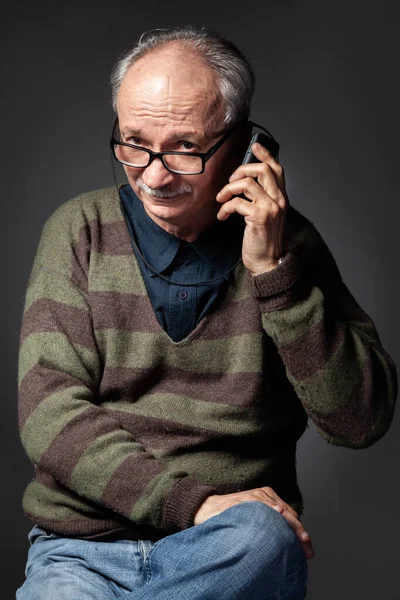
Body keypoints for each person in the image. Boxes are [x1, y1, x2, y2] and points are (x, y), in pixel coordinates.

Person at [17, 25, 397, 600]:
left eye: (184, 148)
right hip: (83, 550)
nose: (153, 174)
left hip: (228, 550)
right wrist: (194, 502)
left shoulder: (293, 248)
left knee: (266, 537)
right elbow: (49, 413)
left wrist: (274, 274)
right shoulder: (80, 231)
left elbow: (359, 422)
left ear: (246, 145)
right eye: (133, 142)